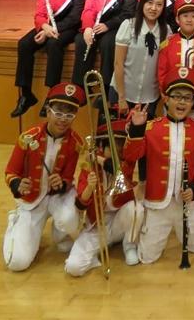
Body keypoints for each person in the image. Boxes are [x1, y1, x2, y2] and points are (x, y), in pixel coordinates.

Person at [122, 66, 194, 264]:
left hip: (187, 202)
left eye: (187, 98)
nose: (182, 102)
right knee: (147, 258)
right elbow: (130, 155)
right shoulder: (151, 128)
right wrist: (136, 129)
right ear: (166, 99)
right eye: (176, 96)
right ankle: (129, 239)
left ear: (193, 102)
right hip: (157, 203)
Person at [3, 83, 85, 272]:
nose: (63, 120)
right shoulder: (28, 138)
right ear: (48, 111)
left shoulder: (75, 142)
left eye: (69, 115)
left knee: (69, 220)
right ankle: (16, 222)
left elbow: (68, 177)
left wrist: (62, 184)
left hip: (57, 197)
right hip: (32, 200)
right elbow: (10, 172)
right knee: (17, 263)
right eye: (58, 113)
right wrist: (17, 184)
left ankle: (60, 236)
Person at [64, 114, 142, 276]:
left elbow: (117, 169)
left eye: (120, 149)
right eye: (112, 148)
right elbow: (80, 205)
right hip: (96, 226)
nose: (117, 153)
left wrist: (98, 159)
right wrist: (89, 188)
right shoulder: (89, 168)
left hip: (119, 221)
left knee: (136, 209)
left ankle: (129, 245)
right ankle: (99, 249)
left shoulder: (125, 164)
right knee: (74, 268)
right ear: (102, 146)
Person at [113, 0, 168, 118]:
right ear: (142, 3)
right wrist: (121, 98)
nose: (153, 8)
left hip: (150, 97)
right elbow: (118, 64)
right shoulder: (129, 25)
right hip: (123, 94)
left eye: (159, 4)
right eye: (150, 3)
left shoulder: (166, 31)